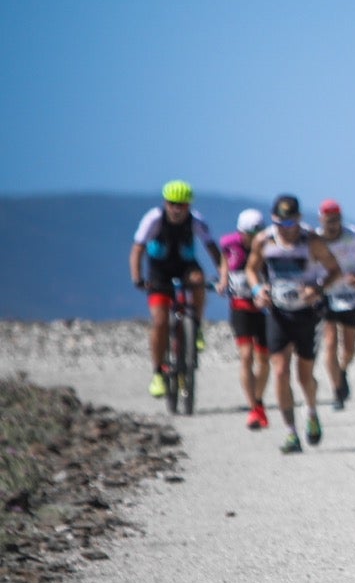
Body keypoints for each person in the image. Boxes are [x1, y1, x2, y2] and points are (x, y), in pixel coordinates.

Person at [245, 194, 343, 454]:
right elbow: (251, 268)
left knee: (304, 374)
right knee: (279, 371)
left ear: (299, 221)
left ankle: (311, 411)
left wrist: (318, 288)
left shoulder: (312, 241)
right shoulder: (263, 240)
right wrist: (257, 290)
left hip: (306, 313)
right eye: (280, 224)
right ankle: (290, 433)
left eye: (290, 225)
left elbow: (335, 270)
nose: (285, 230)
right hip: (278, 312)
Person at [129, 180, 223, 399]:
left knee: (198, 281)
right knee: (160, 321)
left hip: (185, 266)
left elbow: (212, 248)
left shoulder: (196, 221)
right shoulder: (154, 219)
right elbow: (137, 249)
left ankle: (196, 325)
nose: (177, 209)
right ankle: (158, 372)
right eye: (173, 204)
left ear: (189, 205)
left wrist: (223, 275)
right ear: (165, 203)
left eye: (182, 204)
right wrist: (137, 278)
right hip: (158, 271)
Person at [316, 199, 355, 411]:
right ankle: (337, 391)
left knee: (349, 349)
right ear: (322, 220)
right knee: (330, 343)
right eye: (329, 221)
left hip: (349, 295)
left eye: (337, 220)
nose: (333, 225)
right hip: (325, 294)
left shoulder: (354, 235)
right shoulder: (315, 239)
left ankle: (342, 371)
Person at [218, 208, 271, 429]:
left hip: (264, 308)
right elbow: (224, 260)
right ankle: (254, 408)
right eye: (248, 235)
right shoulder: (229, 242)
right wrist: (223, 279)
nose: (252, 239)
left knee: (264, 359)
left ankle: (258, 399)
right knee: (246, 356)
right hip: (240, 305)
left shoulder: (269, 246)